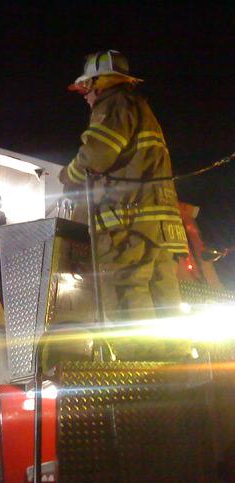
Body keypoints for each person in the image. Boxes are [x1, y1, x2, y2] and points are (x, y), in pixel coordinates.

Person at [59, 50, 190, 358]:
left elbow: (97, 154)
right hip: (157, 223)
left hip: (128, 223)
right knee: (162, 293)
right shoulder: (140, 107)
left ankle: (143, 363)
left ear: (97, 83)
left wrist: (68, 175)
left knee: (126, 289)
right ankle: (176, 360)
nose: (85, 98)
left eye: (86, 90)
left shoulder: (112, 104)